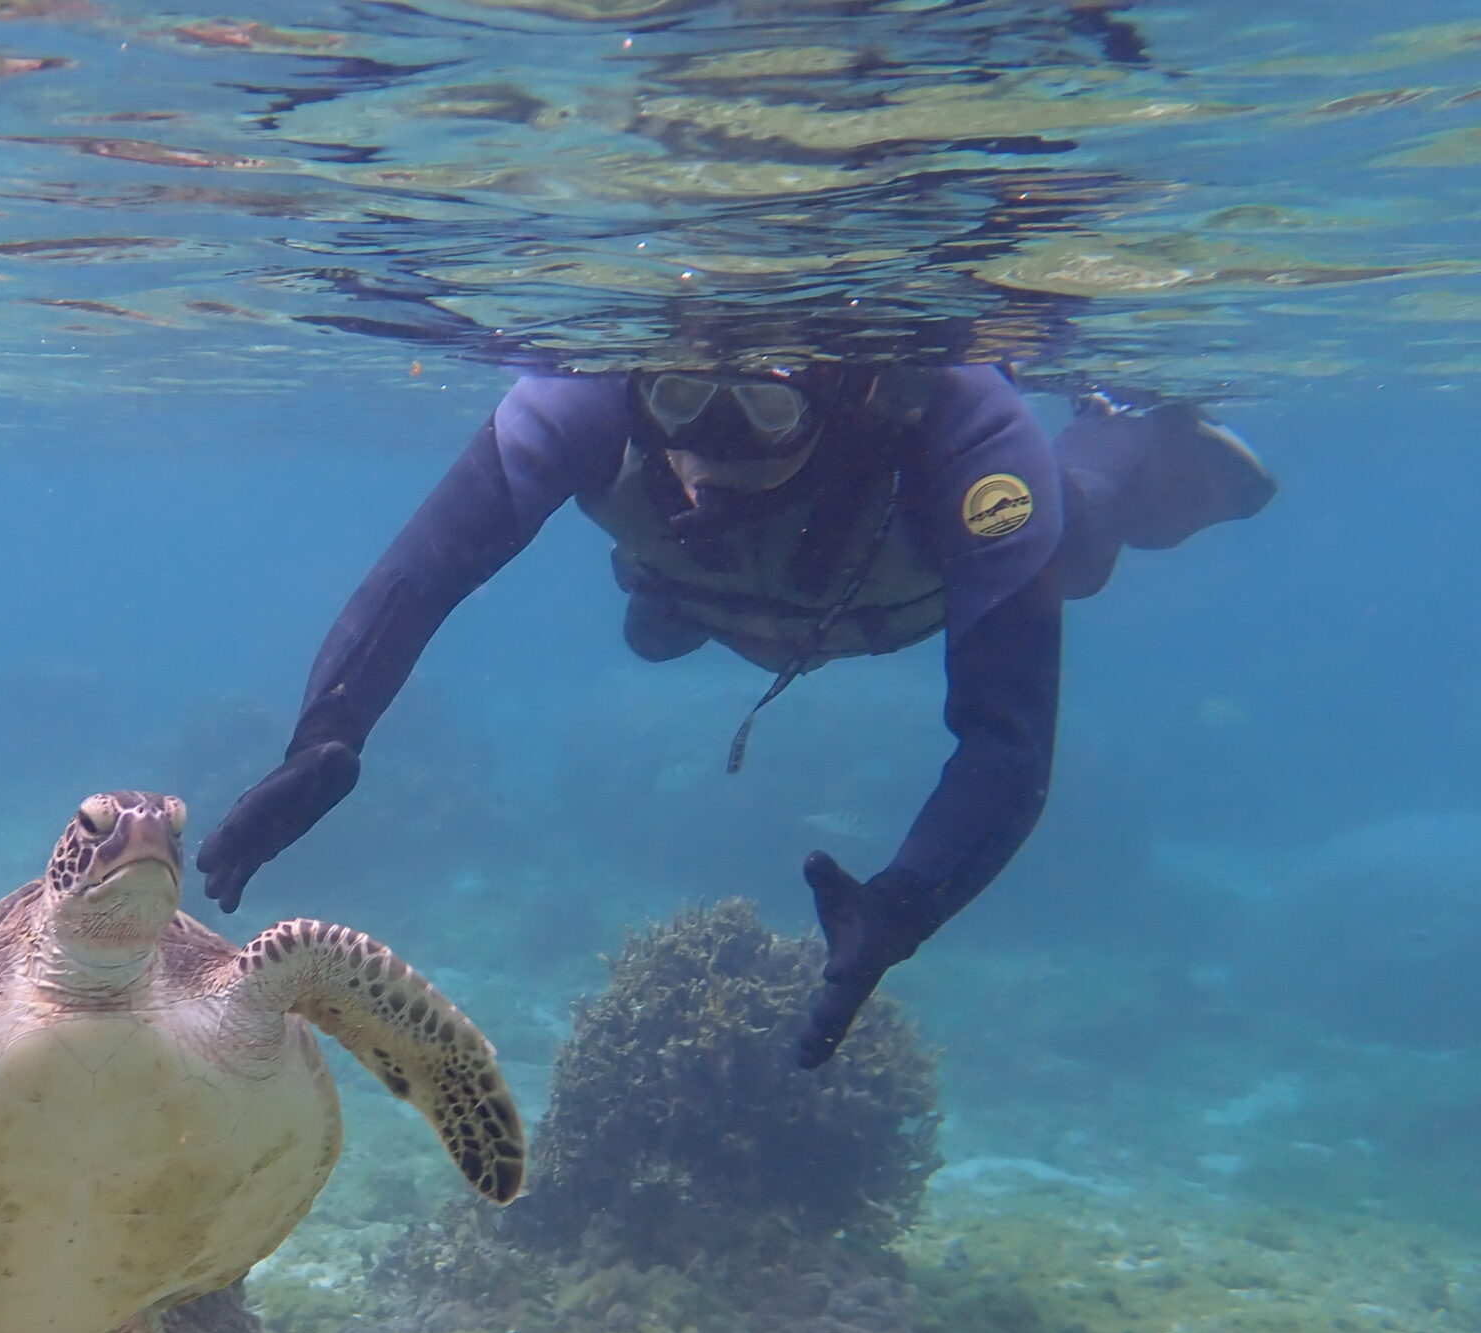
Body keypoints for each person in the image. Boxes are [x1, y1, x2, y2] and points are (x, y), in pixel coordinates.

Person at [196, 362, 1276, 1068]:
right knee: (654, 622)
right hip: (716, 593)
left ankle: (1123, 433)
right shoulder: (585, 395)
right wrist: (326, 738)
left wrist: (905, 903)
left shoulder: (963, 431)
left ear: (849, 394)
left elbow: (1009, 740)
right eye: (678, 396)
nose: (708, 448)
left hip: (899, 583)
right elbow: (421, 575)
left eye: (761, 403)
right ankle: (688, 580)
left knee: (1073, 536)